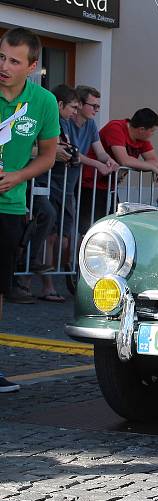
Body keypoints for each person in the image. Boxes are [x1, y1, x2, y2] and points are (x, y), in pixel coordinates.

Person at [0, 28, 60, 316]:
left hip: (9, 205)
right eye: (1, 58)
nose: (3, 67)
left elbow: (48, 156)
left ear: (32, 67)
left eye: (13, 61)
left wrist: (19, 176)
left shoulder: (44, 101)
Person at [28, 84, 81, 303]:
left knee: (51, 229)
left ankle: (31, 274)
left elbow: (64, 150)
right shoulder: (42, 118)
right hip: (36, 181)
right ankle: (26, 268)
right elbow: (27, 147)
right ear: (58, 104)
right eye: (73, 107)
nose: (75, 112)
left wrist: (71, 154)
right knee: (43, 220)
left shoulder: (64, 124)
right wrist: (51, 152)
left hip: (54, 184)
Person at [81, 108, 158, 231]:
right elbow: (124, 160)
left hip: (110, 187)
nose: (153, 134)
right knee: (90, 227)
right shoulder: (116, 127)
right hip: (91, 184)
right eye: (152, 131)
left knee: (111, 226)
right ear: (141, 130)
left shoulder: (142, 139)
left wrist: (148, 165)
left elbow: (155, 162)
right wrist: (149, 166)